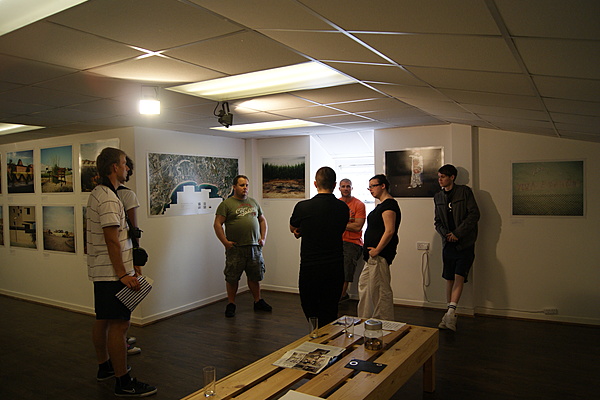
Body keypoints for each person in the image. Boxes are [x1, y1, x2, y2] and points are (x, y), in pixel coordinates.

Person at [86, 147, 157, 397]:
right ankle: (123, 382)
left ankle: (105, 367)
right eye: (125, 164)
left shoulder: (101, 193)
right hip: (111, 274)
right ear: (114, 167)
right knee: (120, 325)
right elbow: (112, 240)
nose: (127, 168)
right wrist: (123, 274)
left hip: (104, 272)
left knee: (104, 320)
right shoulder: (107, 198)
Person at [289, 167, 349, 326]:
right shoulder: (343, 208)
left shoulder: (303, 207)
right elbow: (338, 228)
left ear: (315, 183)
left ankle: (315, 334)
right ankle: (328, 337)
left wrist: (300, 231)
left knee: (311, 309)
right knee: (330, 309)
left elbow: (293, 226)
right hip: (335, 266)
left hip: (311, 266)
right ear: (335, 185)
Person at [213, 175, 271, 318]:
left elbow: (262, 220)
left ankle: (258, 301)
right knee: (232, 277)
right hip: (236, 248)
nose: (245, 188)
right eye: (241, 185)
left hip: (254, 247)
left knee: (255, 276)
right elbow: (217, 224)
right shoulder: (227, 204)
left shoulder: (253, 202)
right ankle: (231, 304)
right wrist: (225, 242)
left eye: (246, 185)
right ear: (234, 187)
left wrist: (263, 238)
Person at [434, 164, 480, 332]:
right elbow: (437, 221)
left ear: (452, 177)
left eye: (443, 177)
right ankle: (450, 314)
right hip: (448, 244)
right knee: (449, 278)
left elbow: (474, 215)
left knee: (459, 276)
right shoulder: (438, 196)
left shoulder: (464, 192)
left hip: (464, 243)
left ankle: (450, 314)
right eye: (439, 177)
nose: (440, 180)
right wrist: (446, 235)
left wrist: (457, 234)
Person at [357, 174, 401, 321]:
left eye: (373, 186)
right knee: (365, 287)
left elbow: (390, 230)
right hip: (371, 256)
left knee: (380, 291)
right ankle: (365, 320)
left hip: (379, 255)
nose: (371, 189)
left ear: (383, 186)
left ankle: (385, 324)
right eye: (369, 187)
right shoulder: (381, 205)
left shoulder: (389, 205)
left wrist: (377, 250)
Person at [116, 156, 142, 356]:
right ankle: (121, 342)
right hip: (124, 256)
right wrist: (137, 259)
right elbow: (134, 229)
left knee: (107, 316)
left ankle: (117, 342)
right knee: (124, 307)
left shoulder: (99, 193)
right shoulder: (127, 195)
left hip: (109, 260)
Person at [338, 179, 366, 301]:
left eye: (348, 186)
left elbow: (357, 226)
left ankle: (341, 296)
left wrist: (338, 224)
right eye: (343, 186)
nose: (346, 188)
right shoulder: (336, 204)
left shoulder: (359, 204)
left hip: (353, 242)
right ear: (339, 188)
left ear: (351, 188)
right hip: (337, 241)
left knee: (346, 267)